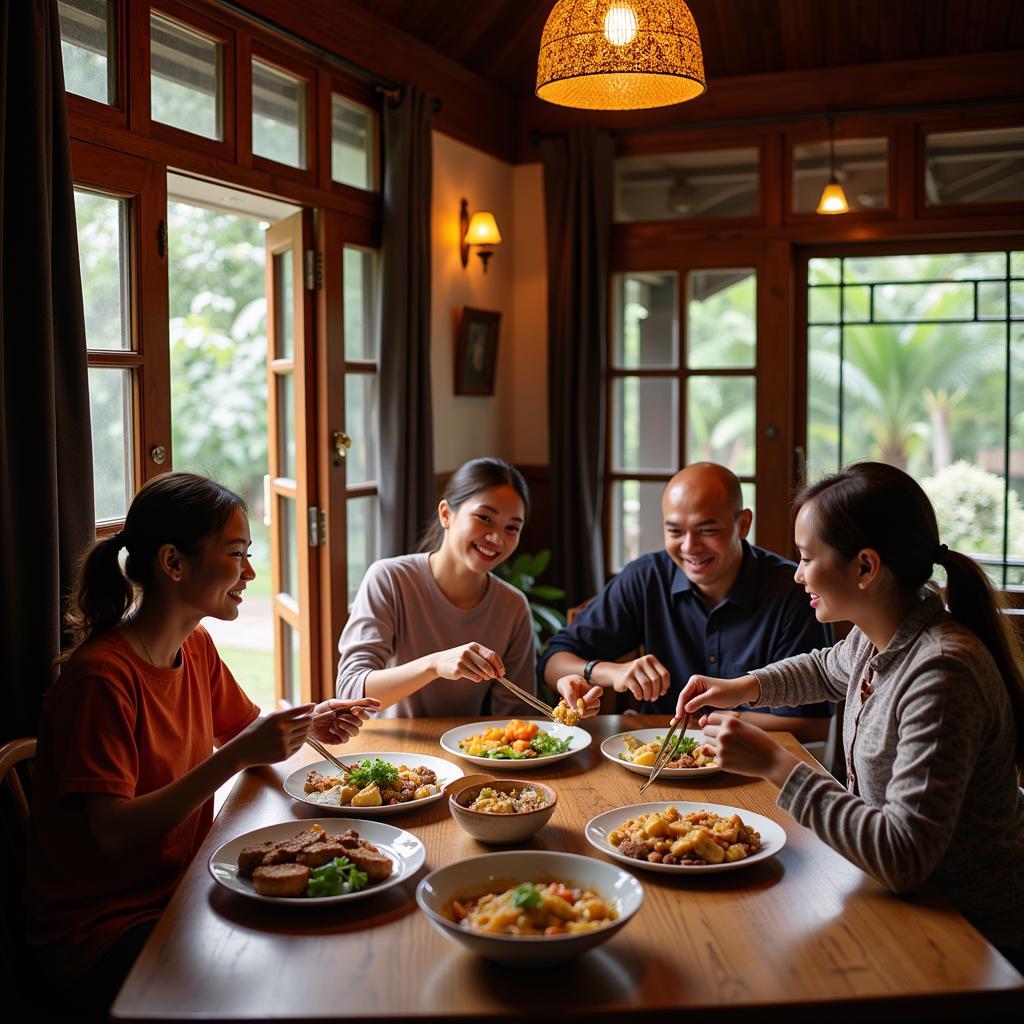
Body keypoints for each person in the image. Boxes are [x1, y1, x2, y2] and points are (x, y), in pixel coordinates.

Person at [27, 473, 378, 1015]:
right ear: (173, 563)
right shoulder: (101, 680)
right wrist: (234, 758)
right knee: (292, 983)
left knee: (339, 944)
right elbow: (111, 833)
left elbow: (244, 729)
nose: (250, 573)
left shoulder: (195, 646)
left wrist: (312, 721)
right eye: (236, 555)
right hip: (104, 929)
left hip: (183, 888)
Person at [675, 462, 1024, 959]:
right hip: (897, 902)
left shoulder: (943, 673)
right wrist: (739, 688)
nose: (797, 574)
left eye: (806, 557)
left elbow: (904, 857)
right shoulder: (878, 634)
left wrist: (776, 764)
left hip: (965, 937)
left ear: (865, 567)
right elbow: (822, 670)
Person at [540, 462, 832, 740]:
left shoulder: (793, 590)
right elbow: (553, 661)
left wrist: (710, 723)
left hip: (756, 764)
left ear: (743, 524)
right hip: (654, 759)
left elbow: (814, 725)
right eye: (675, 531)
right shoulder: (646, 577)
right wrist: (611, 672)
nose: (690, 547)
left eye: (707, 530)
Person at [336, 457, 600, 718]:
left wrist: (568, 707)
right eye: (485, 518)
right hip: (392, 753)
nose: (497, 538)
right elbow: (350, 692)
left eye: (512, 528)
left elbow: (515, 715)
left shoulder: (513, 606)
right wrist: (433, 665)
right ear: (446, 514)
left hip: (467, 753)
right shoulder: (389, 579)